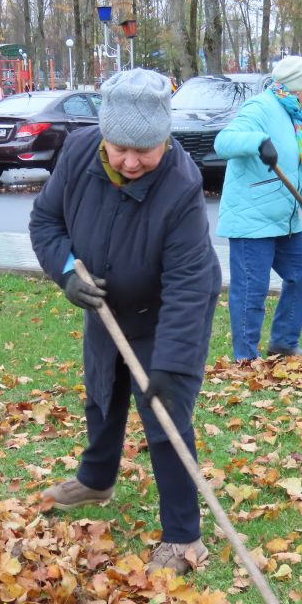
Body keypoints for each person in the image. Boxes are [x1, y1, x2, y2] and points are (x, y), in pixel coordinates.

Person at [28, 68, 221, 575]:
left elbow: (188, 285)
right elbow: (46, 221)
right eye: (121, 149)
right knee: (102, 390)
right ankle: (97, 479)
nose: (131, 162)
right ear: (104, 137)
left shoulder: (180, 185)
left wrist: (172, 368)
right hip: (103, 300)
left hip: (167, 311)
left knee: (165, 416)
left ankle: (183, 538)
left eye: (145, 150)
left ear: (165, 139)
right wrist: (68, 272)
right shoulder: (77, 153)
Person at [213, 55, 302, 361]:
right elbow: (223, 142)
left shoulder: (298, 117)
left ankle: (283, 343)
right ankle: (245, 358)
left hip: (284, 219)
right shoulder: (260, 108)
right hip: (252, 216)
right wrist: (258, 141)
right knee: (252, 288)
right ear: (295, 87)